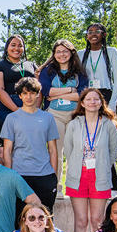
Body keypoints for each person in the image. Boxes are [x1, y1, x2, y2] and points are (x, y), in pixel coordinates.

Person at [64, 88, 117, 232]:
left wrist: (102, 163)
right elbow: (69, 149)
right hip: (78, 177)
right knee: (81, 220)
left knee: (97, 220)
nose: (93, 102)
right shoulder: (74, 124)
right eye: (89, 99)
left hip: (100, 177)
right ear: (82, 103)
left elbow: (114, 150)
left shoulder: (108, 124)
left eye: (96, 99)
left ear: (101, 103)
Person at [38, 39, 89, 198]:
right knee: (56, 152)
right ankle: (57, 188)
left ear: (71, 52)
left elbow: (82, 94)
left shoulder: (80, 71)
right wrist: (70, 90)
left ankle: (75, 187)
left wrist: (60, 93)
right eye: (58, 51)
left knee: (74, 152)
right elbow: (46, 91)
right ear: (54, 54)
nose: (61, 54)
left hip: (76, 115)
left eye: (65, 51)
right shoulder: (48, 71)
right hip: (55, 114)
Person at [1, 77, 59, 215]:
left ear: (38, 94)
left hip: (45, 174)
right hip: (20, 174)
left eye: (32, 93)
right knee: (21, 219)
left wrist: (54, 177)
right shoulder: (12, 118)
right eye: (25, 93)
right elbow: (7, 151)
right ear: (20, 95)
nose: (29, 96)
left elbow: (53, 150)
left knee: (46, 218)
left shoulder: (48, 118)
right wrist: (9, 177)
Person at [0, 35, 40, 121]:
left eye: (20, 46)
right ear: (6, 48)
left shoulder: (32, 65)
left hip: (31, 106)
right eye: (13, 45)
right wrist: (16, 110)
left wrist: (36, 109)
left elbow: (39, 89)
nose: (16, 48)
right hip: (7, 107)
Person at [77, 23, 117, 112]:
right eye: (90, 32)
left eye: (97, 31)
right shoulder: (80, 54)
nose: (93, 34)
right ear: (87, 36)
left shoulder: (111, 51)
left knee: (106, 123)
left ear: (104, 34)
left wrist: (113, 102)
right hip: (87, 94)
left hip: (106, 95)